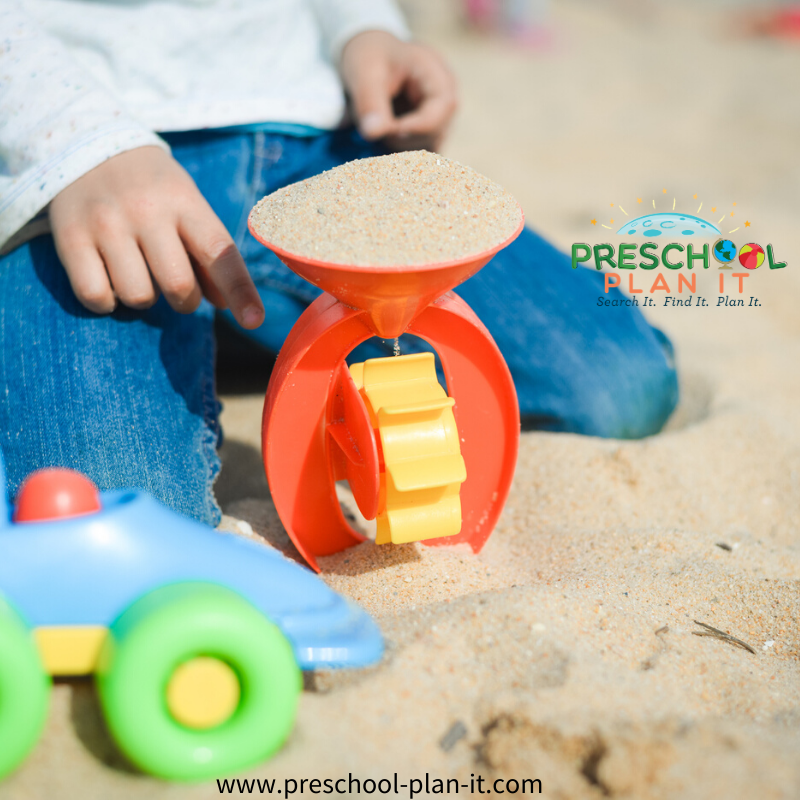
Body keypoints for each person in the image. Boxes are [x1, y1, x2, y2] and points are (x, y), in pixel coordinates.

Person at [0, 0, 677, 527]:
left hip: (306, 135)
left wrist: (363, 29)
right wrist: (76, 140)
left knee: (620, 386)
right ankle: (230, 335)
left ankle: (248, 335)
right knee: (126, 513)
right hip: (80, 172)